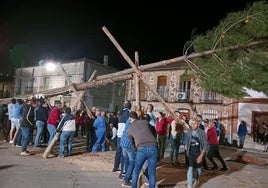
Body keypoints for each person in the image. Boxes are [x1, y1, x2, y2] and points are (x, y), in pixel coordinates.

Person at [128, 113, 158, 188]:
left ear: (130, 119)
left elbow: (132, 144)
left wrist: (136, 151)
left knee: (136, 171)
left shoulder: (129, 129)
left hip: (141, 148)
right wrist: (153, 138)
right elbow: (154, 130)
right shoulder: (145, 122)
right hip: (152, 146)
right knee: (152, 173)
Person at [185, 119, 208, 188]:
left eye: (195, 123)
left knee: (198, 168)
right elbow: (187, 140)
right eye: (192, 124)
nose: (193, 125)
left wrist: (201, 156)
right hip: (191, 152)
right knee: (190, 168)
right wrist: (186, 146)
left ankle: (197, 178)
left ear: (198, 124)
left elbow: (205, 145)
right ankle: (189, 185)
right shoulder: (189, 131)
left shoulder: (202, 132)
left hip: (199, 152)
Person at [112, 101, 131, 179]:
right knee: (124, 154)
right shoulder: (129, 113)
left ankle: (115, 167)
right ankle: (123, 171)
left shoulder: (120, 113)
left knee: (118, 151)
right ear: (129, 106)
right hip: (125, 135)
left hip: (119, 134)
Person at [121, 111, 138, 187]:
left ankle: (125, 174)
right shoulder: (133, 123)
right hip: (129, 144)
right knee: (133, 162)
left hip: (123, 143)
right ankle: (127, 179)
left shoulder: (128, 121)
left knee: (126, 160)